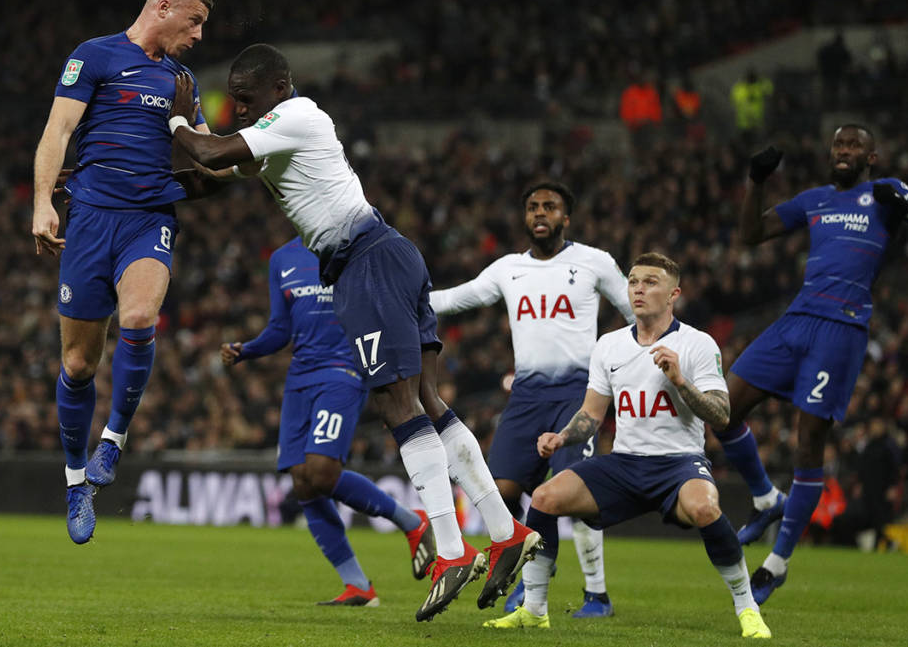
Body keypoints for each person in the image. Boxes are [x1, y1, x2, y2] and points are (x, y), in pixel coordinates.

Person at [166, 43, 542, 622]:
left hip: (365, 262)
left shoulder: (296, 115)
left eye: (245, 98)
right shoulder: (274, 134)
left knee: (397, 405)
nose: (236, 108)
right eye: (232, 100)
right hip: (388, 255)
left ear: (278, 88)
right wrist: (119, 183)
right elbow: (206, 178)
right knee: (428, 400)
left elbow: (211, 151)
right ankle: (505, 531)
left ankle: (450, 550)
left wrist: (177, 118)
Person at [712, 125, 908, 604]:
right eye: (838, 145)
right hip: (796, 320)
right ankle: (765, 498)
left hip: (841, 329)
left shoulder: (887, 194)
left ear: (871, 156)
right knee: (722, 409)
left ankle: (776, 564)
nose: (843, 151)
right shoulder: (816, 199)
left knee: (809, 443)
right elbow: (751, 233)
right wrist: (756, 182)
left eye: (853, 146)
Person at [482, 253, 771, 638]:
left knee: (705, 507)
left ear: (674, 295)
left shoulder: (697, 343)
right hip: (625, 464)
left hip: (678, 464)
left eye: (650, 282)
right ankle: (534, 609)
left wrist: (681, 381)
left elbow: (721, 414)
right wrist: (562, 436)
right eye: (633, 281)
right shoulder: (610, 345)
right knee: (545, 498)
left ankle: (747, 607)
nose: (638, 289)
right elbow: (591, 414)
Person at [31, 0, 214, 545]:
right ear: (163, 7)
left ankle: (113, 440)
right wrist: (42, 202)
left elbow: (210, 156)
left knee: (138, 318)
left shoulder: (183, 80)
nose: (199, 36)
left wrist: (252, 148)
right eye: (195, 21)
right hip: (89, 219)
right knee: (78, 365)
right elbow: (58, 130)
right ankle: (75, 482)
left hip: (149, 218)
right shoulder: (95, 56)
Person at [429, 182, 635, 618]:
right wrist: (400, 303)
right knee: (501, 491)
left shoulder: (594, 261)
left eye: (550, 207)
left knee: (573, 491)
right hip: (525, 396)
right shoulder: (508, 268)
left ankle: (596, 594)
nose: (540, 213)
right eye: (532, 207)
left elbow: (636, 312)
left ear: (566, 218)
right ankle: (537, 562)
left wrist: (622, 363)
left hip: (578, 394)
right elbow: (455, 298)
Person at [221, 236, 437, 605]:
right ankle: (358, 586)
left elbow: (384, 312)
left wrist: (393, 381)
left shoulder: (354, 248)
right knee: (303, 482)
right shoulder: (282, 258)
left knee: (321, 471)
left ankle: (411, 521)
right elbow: (280, 329)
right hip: (300, 377)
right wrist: (247, 350)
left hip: (344, 371)